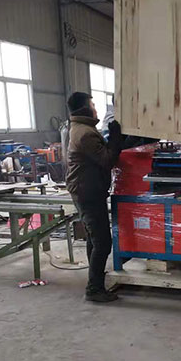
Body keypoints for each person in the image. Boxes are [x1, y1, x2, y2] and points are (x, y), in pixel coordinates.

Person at [66, 92, 124, 302]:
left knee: (94, 238)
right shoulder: (85, 133)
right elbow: (106, 160)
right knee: (103, 242)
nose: (95, 109)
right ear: (84, 109)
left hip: (87, 189)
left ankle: (96, 278)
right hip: (87, 192)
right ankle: (94, 289)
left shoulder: (82, 128)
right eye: (92, 105)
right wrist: (116, 139)